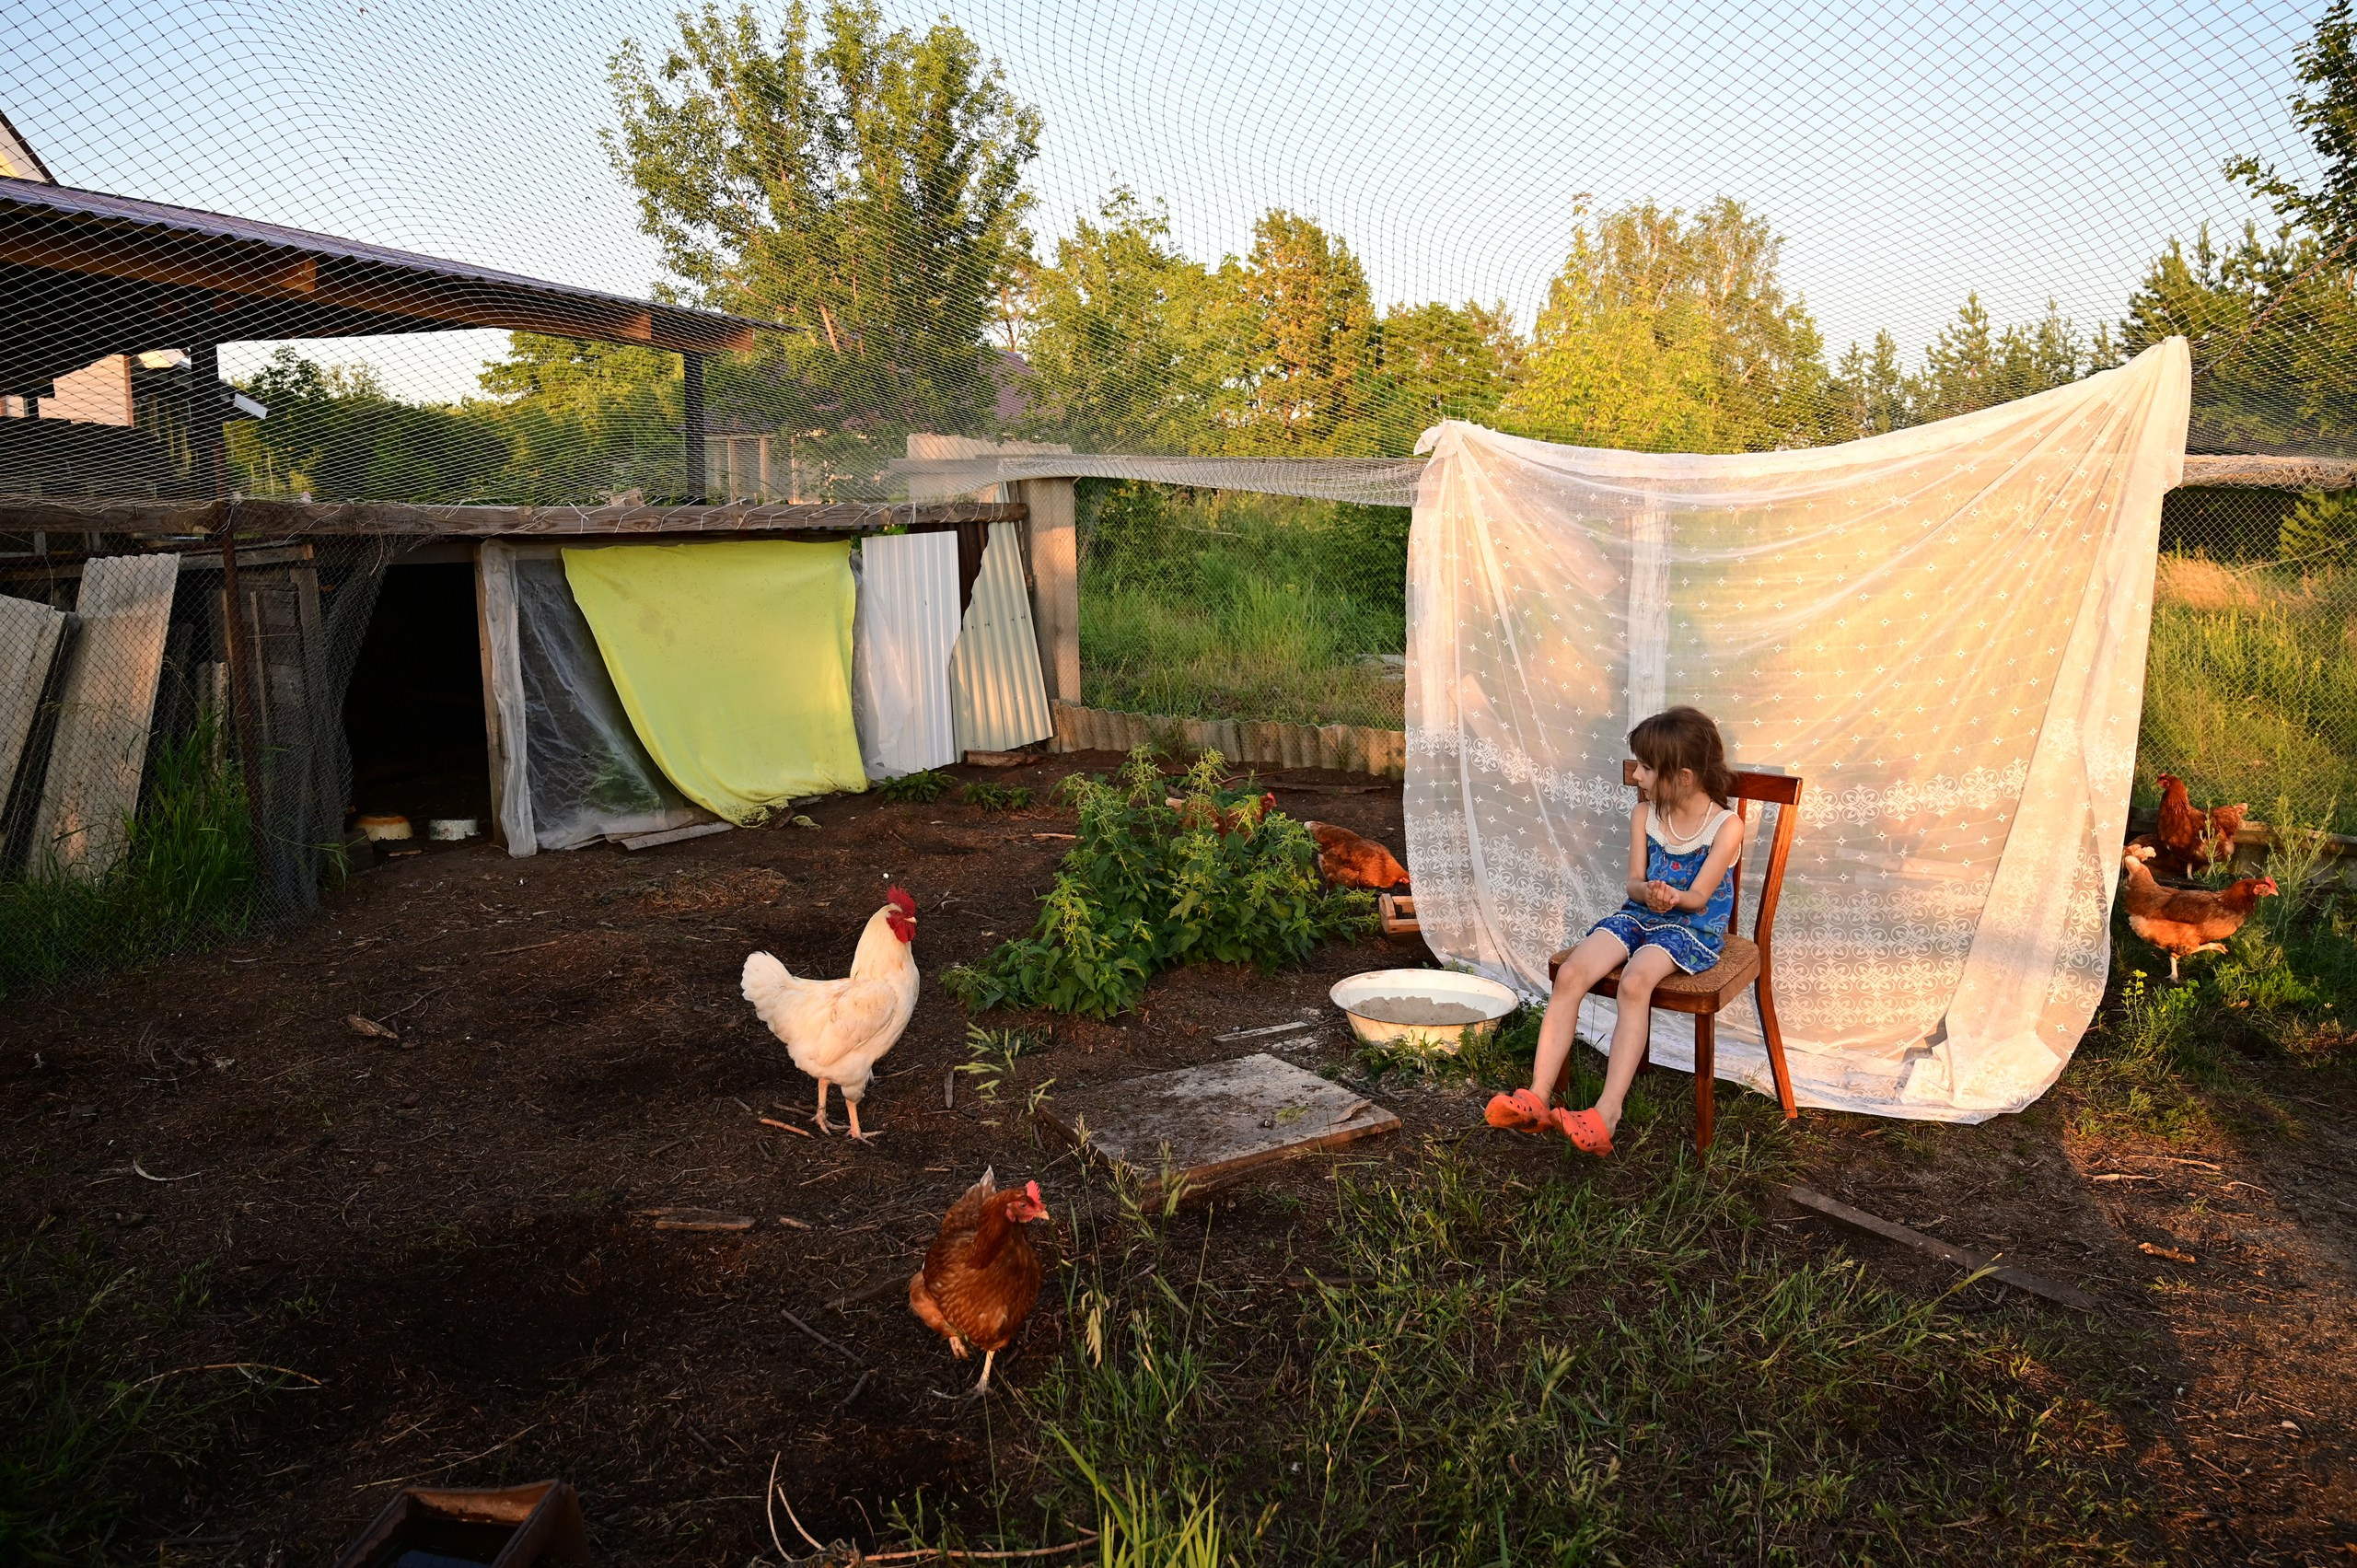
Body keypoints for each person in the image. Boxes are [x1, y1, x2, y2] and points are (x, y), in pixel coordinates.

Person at [1485, 706, 1743, 1156]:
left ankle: (1607, 1112)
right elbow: (1632, 883)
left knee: (1635, 980)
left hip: (1690, 927)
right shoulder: (1645, 815)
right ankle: (1538, 1096)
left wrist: (1673, 899)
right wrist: (1648, 892)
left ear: (1682, 776)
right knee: (1570, 974)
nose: (1636, 775)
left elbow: (1700, 898)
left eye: (1646, 767)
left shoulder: (1727, 826)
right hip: (1640, 913)